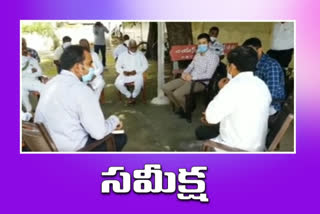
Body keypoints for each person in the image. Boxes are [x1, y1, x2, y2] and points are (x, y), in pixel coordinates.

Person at [35, 45, 127, 152]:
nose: (92, 67)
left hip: (48, 145)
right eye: (89, 63)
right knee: (121, 138)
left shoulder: (50, 84)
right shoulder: (82, 90)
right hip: (73, 149)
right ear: (78, 67)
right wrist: (114, 120)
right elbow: (98, 133)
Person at [203, 46, 272, 151]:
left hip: (236, 149)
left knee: (202, 130)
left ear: (232, 67)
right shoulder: (261, 84)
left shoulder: (232, 87)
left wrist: (222, 90)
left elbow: (211, 118)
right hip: (257, 145)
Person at [163, 33, 219, 117]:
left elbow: (208, 75)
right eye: (199, 43)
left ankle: (186, 111)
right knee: (165, 88)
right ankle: (182, 107)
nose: (201, 45)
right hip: (188, 78)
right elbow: (191, 66)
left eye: (204, 43)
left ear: (209, 44)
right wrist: (185, 72)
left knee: (177, 94)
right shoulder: (198, 54)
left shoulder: (213, 57)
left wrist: (193, 77)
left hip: (201, 82)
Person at [242, 37, 286, 116]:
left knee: (240, 113)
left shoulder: (271, 65)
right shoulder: (253, 62)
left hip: (271, 106)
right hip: (257, 99)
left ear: (259, 50)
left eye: (251, 52)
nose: (248, 56)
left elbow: (271, 96)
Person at [115, 39, 148, 104]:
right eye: (132, 47)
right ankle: (129, 95)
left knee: (139, 83)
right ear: (128, 47)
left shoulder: (140, 54)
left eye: (135, 47)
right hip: (125, 74)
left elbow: (145, 65)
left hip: (137, 74)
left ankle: (134, 96)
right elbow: (117, 67)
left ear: (136, 46)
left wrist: (137, 71)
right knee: (117, 83)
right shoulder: (122, 55)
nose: (134, 49)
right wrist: (123, 72)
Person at [21, 45, 44, 113]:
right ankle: (29, 111)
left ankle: (30, 111)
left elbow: (40, 72)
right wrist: (30, 71)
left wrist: (27, 74)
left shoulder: (32, 59)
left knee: (44, 89)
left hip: (33, 83)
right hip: (26, 84)